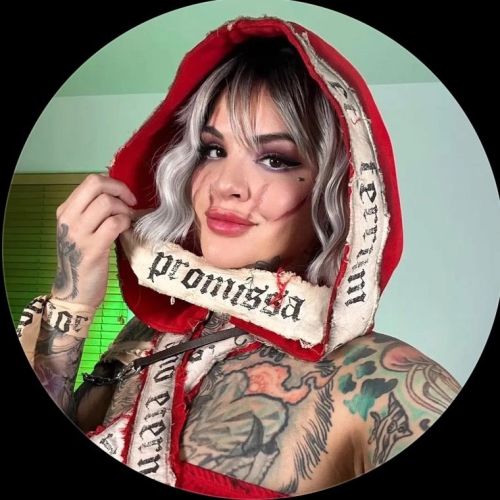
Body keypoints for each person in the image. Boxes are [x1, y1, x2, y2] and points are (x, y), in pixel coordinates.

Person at [16, 16, 461, 498]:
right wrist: (73, 300)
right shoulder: (147, 334)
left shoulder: (383, 381)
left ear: (340, 193)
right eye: (212, 150)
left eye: (276, 160)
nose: (225, 185)